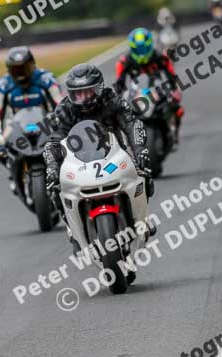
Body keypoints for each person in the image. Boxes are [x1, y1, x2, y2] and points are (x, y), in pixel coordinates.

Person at [44, 64, 153, 237]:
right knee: (54, 188)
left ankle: (142, 220)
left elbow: (132, 123)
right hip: (78, 163)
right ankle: (72, 229)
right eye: (78, 94)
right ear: (71, 94)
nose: (83, 98)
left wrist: (140, 150)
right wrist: (52, 167)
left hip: (115, 156)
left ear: (99, 88)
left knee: (144, 172)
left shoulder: (113, 100)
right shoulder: (65, 109)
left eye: (88, 92)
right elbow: (53, 142)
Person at [0, 46, 65, 192]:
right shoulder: (3, 85)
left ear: (32, 65)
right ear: (9, 70)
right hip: (16, 125)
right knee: (1, 152)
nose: (21, 73)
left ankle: (63, 173)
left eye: (24, 68)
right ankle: (13, 175)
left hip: (45, 122)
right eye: (16, 70)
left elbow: (61, 103)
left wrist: (64, 122)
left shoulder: (46, 78)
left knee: (64, 144)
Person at [114, 28, 183, 148]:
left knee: (177, 107)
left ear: (150, 46)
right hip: (135, 91)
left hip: (157, 88)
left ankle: (174, 131)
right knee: (118, 113)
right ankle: (125, 141)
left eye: (144, 48)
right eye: (138, 49)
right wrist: (116, 97)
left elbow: (171, 75)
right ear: (132, 48)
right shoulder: (124, 62)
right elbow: (119, 83)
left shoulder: (160, 57)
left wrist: (174, 89)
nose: (141, 52)